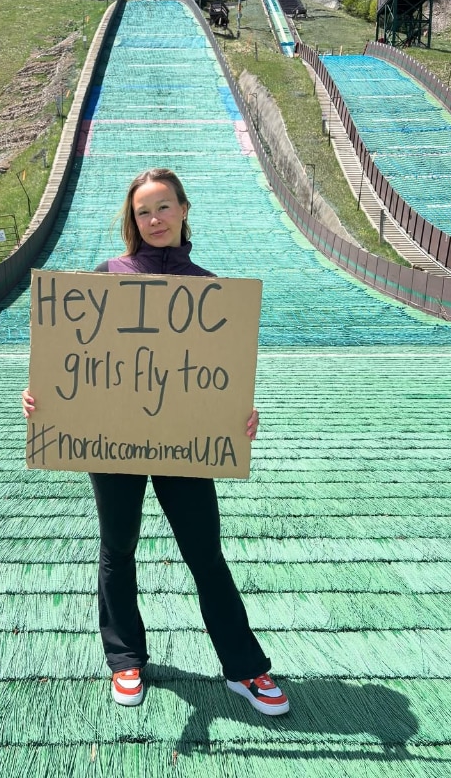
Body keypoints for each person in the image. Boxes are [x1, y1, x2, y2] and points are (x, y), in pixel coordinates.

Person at [22, 168, 289, 716]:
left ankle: (245, 669)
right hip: (114, 439)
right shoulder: (106, 277)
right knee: (118, 547)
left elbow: (222, 379)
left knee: (205, 554)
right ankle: (125, 660)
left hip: (183, 443)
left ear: (184, 209)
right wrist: (40, 396)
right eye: (144, 211)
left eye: (164, 207)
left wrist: (238, 416)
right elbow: (71, 357)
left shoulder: (211, 290)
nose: (155, 219)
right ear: (133, 220)